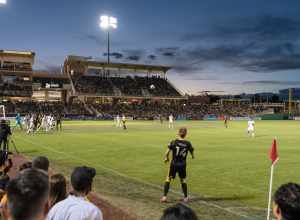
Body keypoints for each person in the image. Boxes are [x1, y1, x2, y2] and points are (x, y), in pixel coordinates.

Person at [161, 127, 194, 203]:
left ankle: (164, 197)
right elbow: (191, 151)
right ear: (185, 134)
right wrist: (192, 156)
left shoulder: (174, 142)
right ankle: (185, 197)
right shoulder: (188, 143)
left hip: (174, 164)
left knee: (168, 178)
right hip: (182, 165)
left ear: (178, 133)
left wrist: (166, 158)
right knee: (183, 180)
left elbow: (167, 152)